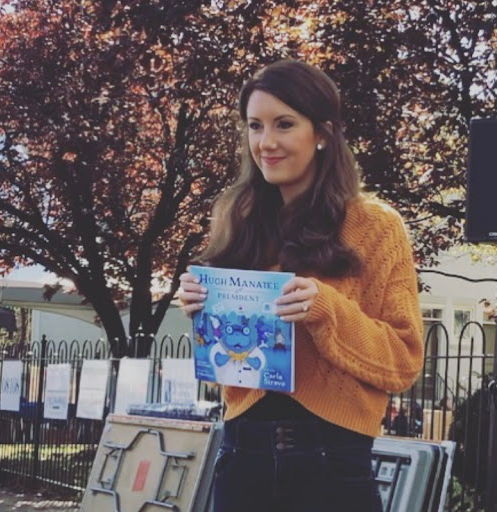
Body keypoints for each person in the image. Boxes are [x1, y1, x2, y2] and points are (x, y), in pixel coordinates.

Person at [178, 60, 424, 512]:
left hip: (332, 464)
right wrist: (201, 308)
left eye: (284, 124)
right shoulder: (238, 220)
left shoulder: (375, 226)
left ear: (323, 133)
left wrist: (327, 308)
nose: (265, 142)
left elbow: (404, 361)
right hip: (240, 456)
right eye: (255, 125)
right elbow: (231, 359)